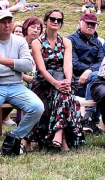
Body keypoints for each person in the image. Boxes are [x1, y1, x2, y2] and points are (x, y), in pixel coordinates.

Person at [0, 10, 44, 156]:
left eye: (9, 22)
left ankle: (14, 136)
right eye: (3, 22)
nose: (7, 25)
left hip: (16, 86)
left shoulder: (19, 41)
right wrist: (16, 68)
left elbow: (27, 65)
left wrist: (3, 61)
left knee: (37, 107)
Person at [26, 9, 85, 151]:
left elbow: (67, 64)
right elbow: (41, 68)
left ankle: (59, 133)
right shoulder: (37, 43)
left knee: (65, 93)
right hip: (43, 82)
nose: (56, 22)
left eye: (59, 20)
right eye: (53, 19)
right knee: (65, 95)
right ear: (46, 21)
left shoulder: (66, 42)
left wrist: (68, 80)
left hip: (62, 79)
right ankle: (61, 137)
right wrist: (56, 83)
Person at [68, 13, 105, 134]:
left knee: (98, 82)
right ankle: (91, 120)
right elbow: (73, 63)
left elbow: (102, 62)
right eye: (87, 23)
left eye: (93, 24)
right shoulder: (70, 40)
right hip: (75, 80)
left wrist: (89, 71)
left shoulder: (97, 42)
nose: (90, 26)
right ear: (80, 23)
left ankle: (89, 119)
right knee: (98, 84)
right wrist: (90, 71)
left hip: (91, 78)